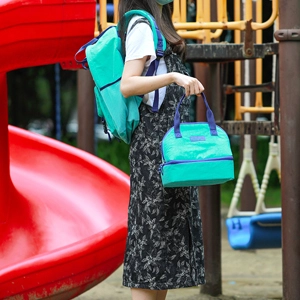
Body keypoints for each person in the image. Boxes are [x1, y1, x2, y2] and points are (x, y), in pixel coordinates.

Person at [119, 1, 205, 299]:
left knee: (161, 244)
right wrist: (173, 77)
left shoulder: (155, 28)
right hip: (155, 150)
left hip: (165, 146)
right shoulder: (142, 27)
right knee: (152, 241)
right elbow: (128, 84)